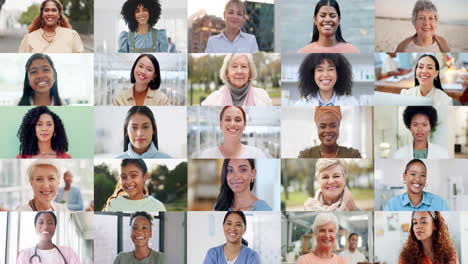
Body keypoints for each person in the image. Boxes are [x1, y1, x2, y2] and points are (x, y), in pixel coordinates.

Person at [201, 53, 272, 106]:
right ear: (227, 73)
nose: (239, 71)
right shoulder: (212, 100)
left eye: (244, 66)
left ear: (250, 73)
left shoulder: (263, 97)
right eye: (234, 66)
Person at [198, 106, 269, 158]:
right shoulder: (207, 155)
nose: (232, 124)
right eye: (228, 120)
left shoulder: (257, 155)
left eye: (238, 120)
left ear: (244, 125)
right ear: (221, 124)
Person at [18, 0, 84, 53]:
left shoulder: (71, 35)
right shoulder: (29, 38)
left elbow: (80, 62)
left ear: (59, 15)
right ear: (42, 15)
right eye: (46, 10)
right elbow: (22, 63)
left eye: (54, 10)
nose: (50, 13)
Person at [384, 159, 449, 211]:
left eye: (422, 175)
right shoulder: (392, 204)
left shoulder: (439, 203)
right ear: (404, 176)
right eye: (413, 174)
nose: (418, 179)